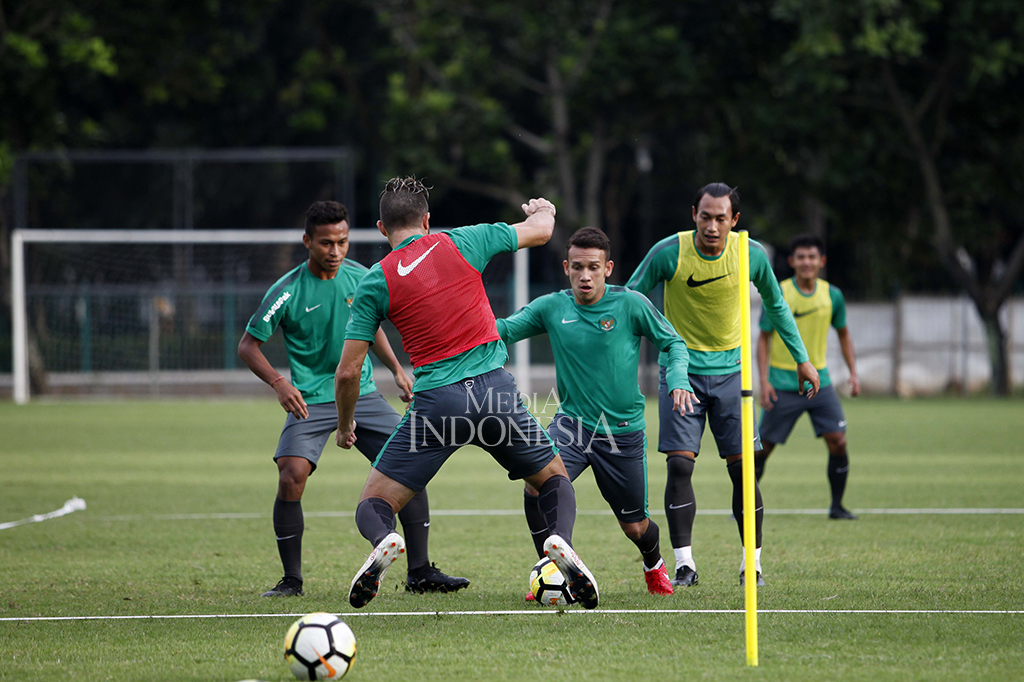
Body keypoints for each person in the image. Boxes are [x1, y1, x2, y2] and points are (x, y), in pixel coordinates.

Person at [335, 177, 599, 609]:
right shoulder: (463, 240)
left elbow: (348, 373)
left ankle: (385, 539)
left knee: (375, 501)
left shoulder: (375, 280)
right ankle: (560, 542)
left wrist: (346, 424)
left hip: (438, 404)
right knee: (553, 479)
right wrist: (543, 209)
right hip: (496, 394)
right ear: (427, 220)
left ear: (382, 228)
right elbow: (541, 231)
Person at [238, 200, 468, 598]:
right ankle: (291, 581)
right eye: (326, 243)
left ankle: (420, 571)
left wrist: (396, 369)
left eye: (342, 242)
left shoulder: (364, 277)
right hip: (311, 398)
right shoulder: (288, 290)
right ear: (307, 242)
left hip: (362, 394)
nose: (335, 250)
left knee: (410, 465)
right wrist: (279, 383)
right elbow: (248, 345)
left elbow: (371, 326)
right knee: (291, 475)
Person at [626, 183, 820, 588]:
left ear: (734, 220)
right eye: (705, 217)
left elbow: (776, 305)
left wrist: (802, 359)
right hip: (680, 372)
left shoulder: (750, 254)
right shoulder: (669, 252)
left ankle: (753, 564)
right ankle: (684, 565)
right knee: (680, 464)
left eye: (720, 218)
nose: (712, 226)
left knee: (743, 471)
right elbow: (628, 301)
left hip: (733, 373)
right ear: (693, 215)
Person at [496, 227, 698, 597]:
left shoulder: (630, 304)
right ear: (566, 268)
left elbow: (673, 343)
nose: (585, 275)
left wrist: (679, 379)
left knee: (635, 526)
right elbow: (502, 330)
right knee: (535, 485)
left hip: (622, 432)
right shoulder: (552, 307)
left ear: (608, 268)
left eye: (593, 267)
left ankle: (653, 563)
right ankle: (551, 569)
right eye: (577, 267)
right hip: (571, 426)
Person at [756, 234, 860, 520]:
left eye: (812, 257)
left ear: (821, 261)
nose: (806, 262)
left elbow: (844, 334)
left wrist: (853, 372)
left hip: (820, 383)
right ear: (792, 261)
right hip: (782, 384)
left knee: (838, 440)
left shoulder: (832, 296)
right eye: (801, 257)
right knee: (762, 449)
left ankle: (837, 507)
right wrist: (763, 381)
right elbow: (763, 338)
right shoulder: (778, 292)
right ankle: (744, 506)